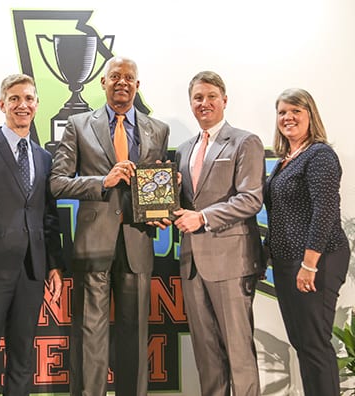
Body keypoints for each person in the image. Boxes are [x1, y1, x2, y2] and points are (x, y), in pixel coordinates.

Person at [50, 56, 170, 396]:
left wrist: (162, 205)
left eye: (129, 77)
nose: (122, 82)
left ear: (137, 85)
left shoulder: (157, 129)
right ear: (102, 83)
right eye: (115, 76)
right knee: (91, 334)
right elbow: (57, 183)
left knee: (135, 335)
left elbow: (154, 185)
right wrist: (104, 180)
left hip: (137, 242)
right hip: (93, 243)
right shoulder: (77, 124)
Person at [0, 73, 65, 396]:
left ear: (36, 105)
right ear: (2, 104)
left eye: (29, 99)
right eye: (15, 99)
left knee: (22, 361)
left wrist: (54, 266)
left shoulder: (44, 157)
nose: (23, 105)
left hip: (31, 274)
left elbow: (49, 217)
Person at [172, 71, 265, 396]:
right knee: (206, 356)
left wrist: (203, 218)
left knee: (239, 355)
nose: (204, 103)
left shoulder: (245, 141)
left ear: (224, 100)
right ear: (191, 103)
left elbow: (251, 198)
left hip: (231, 262)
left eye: (211, 96)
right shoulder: (184, 150)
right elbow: (185, 205)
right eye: (198, 97)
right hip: (192, 264)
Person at [264, 88, 349, 396]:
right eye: (282, 112)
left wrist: (309, 264)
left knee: (314, 343)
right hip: (289, 263)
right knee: (303, 343)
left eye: (295, 111)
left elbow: (325, 212)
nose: (288, 117)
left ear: (310, 115)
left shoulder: (320, 155)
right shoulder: (285, 160)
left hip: (317, 260)